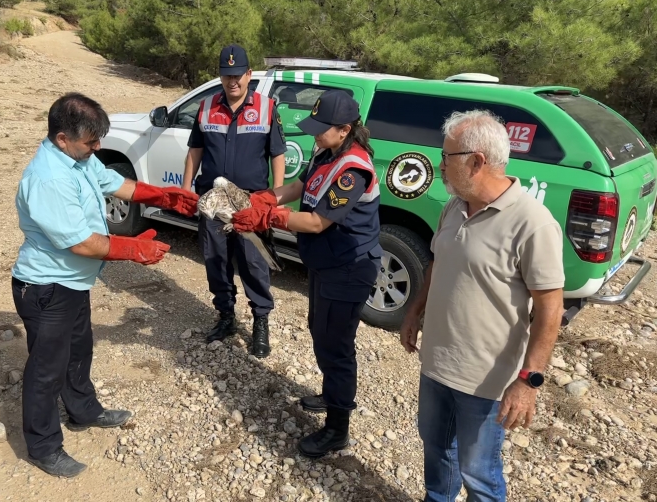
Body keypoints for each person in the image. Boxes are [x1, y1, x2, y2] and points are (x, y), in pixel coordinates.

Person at [11, 92, 199, 478]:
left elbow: (115, 182)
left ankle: (84, 411)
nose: (97, 147)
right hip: (47, 287)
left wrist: (163, 196)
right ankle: (44, 446)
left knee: (79, 349)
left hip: (73, 284)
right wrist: (134, 249)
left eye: (98, 140)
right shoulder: (48, 178)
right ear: (62, 138)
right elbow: (82, 243)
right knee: (46, 370)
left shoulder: (78, 157)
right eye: (90, 142)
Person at [399, 109, 565, 502]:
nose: (439, 166)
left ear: (477, 162)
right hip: (437, 364)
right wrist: (414, 311)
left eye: (446, 157)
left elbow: (550, 310)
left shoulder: (533, 223)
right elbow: (439, 261)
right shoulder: (453, 207)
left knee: (480, 475)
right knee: (437, 450)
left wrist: (529, 381)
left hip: (487, 381)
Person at [231, 90, 382, 458]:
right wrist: (268, 197)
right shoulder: (326, 151)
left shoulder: (353, 169)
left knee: (337, 346)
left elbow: (316, 221)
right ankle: (332, 396)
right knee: (320, 330)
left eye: (321, 129)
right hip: (325, 262)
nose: (314, 135)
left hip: (348, 267)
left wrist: (268, 216)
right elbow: (301, 186)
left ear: (344, 129)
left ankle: (337, 428)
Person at [182, 44, 286, 358]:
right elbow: (195, 151)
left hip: (251, 203)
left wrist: (275, 199)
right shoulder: (206, 106)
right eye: (227, 76)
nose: (233, 82)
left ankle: (260, 321)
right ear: (221, 76)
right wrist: (187, 188)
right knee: (216, 260)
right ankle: (226, 315)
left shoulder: (267, 107)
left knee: (254, 262)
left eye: (238, 75)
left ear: (249, 75)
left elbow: (277, 154)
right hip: (214, 201)